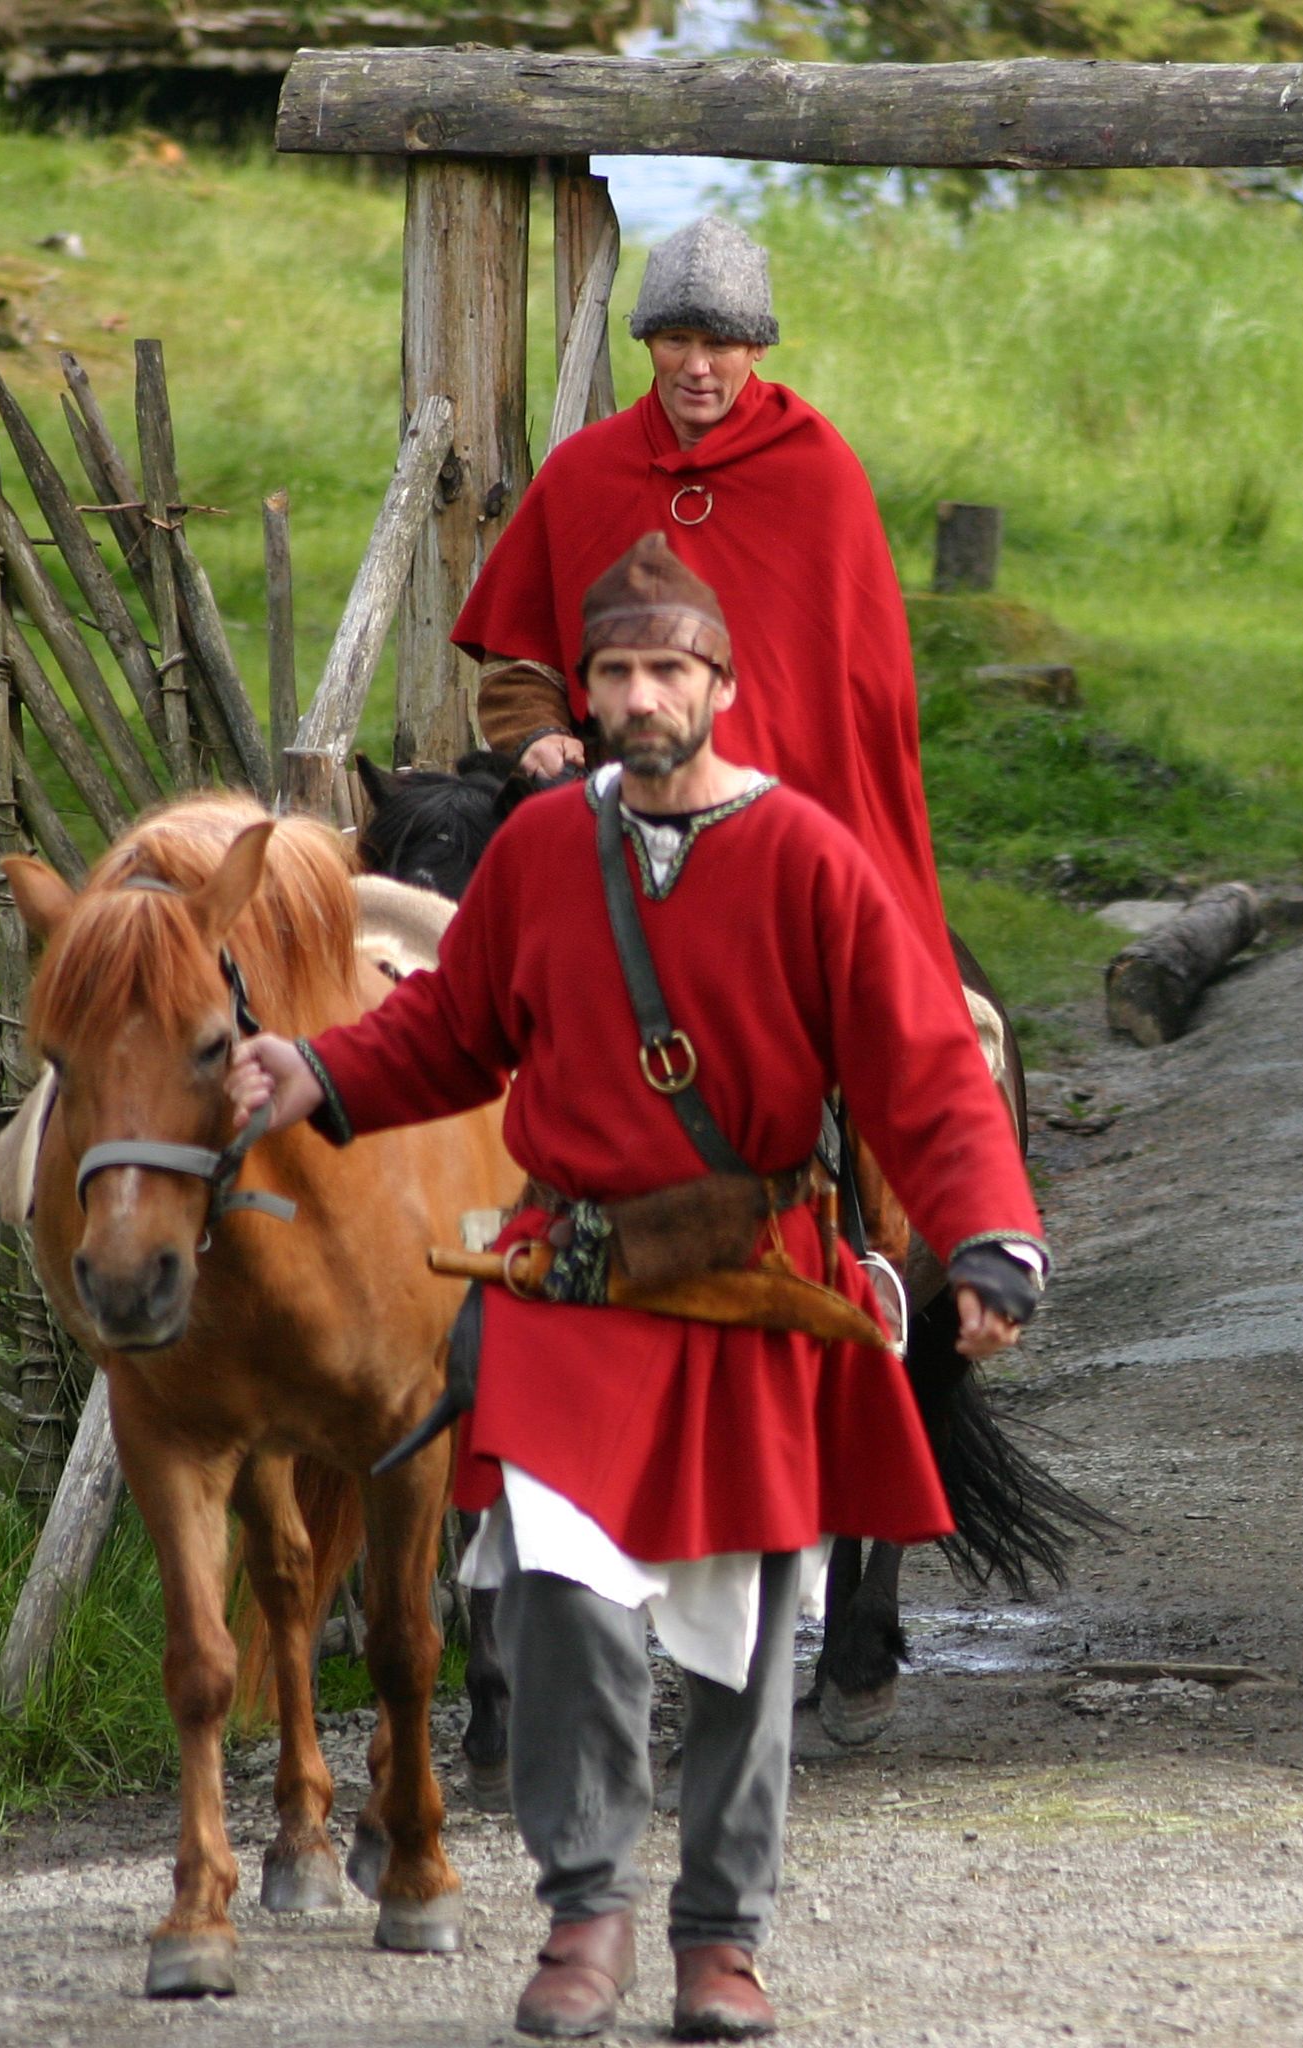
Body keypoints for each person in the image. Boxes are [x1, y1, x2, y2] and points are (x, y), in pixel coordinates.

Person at [230, 533, 1047, 2039]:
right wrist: (318, 1074)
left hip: (753, 1291)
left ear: (719, 684)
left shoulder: (807, 857)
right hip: (577, 1296)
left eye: (669, 667)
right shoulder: (545, 850)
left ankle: (721, 1939)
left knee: (741, 1645)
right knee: (568, 1611)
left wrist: (988, 1235)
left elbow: (921, 1063)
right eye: (614, 671)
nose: (641, 694)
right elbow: (454, 1031)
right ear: (590, 693)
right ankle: (586, 1914)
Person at [455, 213, 952, 969]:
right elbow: (518, 660)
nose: (697, 367)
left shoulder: (817, 474)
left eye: (720, 344)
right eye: (675, 340)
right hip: (621, 812)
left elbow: (865, 701)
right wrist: (537, 735)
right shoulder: (585, 474)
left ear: (756, 348)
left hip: (790, 826)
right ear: (647, 343)